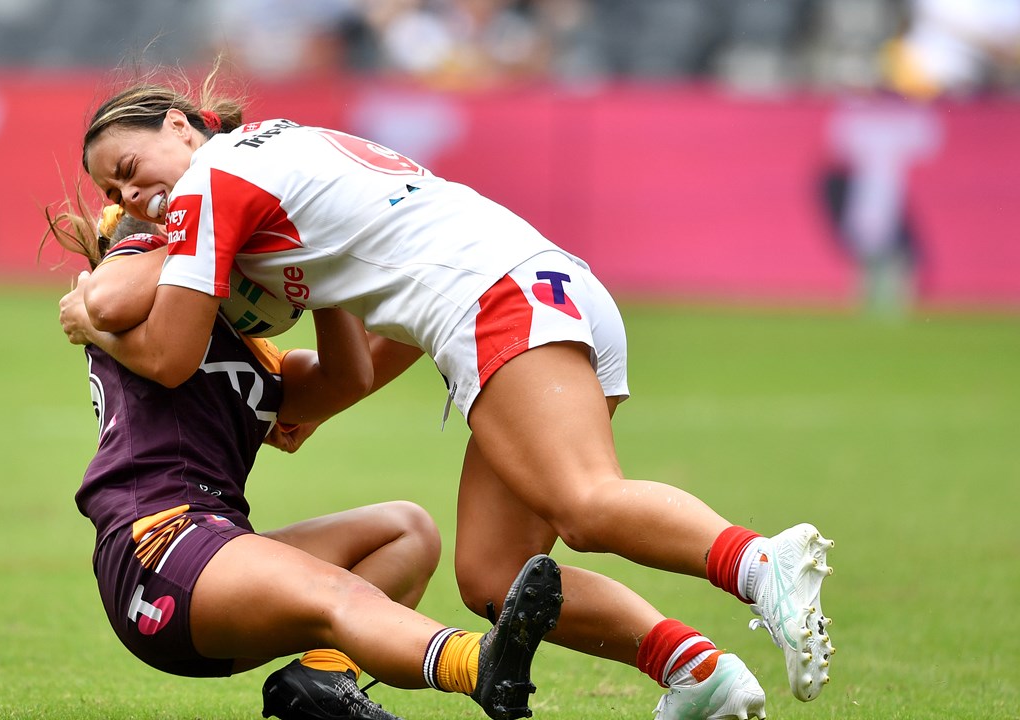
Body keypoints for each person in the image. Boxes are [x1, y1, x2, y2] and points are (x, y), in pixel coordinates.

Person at [64, 66, 837, 719]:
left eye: (130, 169)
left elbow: (164, 349)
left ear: (178, 125)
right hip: (539, 285)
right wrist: (313, 302)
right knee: (494, 576)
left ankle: (762, 564)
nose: (130, 197)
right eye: (113, 192)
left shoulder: (210, 180)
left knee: (586, 503)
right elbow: (338, 366)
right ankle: (695, 672)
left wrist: (89, 319)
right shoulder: (278, 147)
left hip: (494, 299)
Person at [44, 203, 564, 720]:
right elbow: (107, 294)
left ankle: (321, 679)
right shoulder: (135, 294)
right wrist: (219, 230)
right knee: (333, 593)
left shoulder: (248, 352)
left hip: (212, 559)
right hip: (157, 553)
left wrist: (318, 277)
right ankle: (477, 664)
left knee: (406, 531)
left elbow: (347, 380)